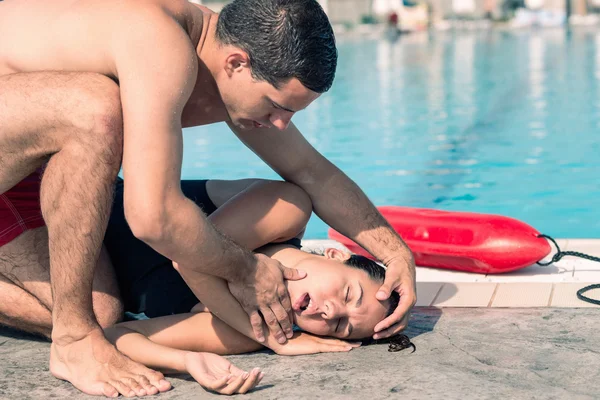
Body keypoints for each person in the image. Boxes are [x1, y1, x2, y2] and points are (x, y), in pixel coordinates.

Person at [0, 0, 416, 397]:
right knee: (95, 109)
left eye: (290, 114)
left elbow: (312, 171)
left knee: (100, 312)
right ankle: (72, 343)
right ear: (237, 63)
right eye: (275, 107)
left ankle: (78, 328)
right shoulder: (162, 44)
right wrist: (249, 271)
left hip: (24, 163)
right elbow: (151, 218)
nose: (280, 124)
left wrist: (397, 254)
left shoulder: (225, 68)